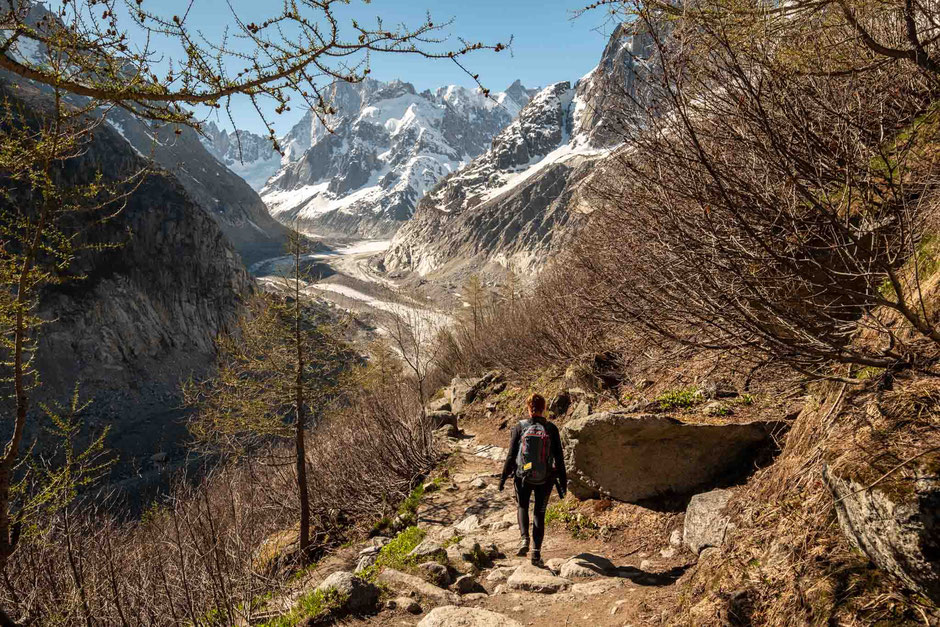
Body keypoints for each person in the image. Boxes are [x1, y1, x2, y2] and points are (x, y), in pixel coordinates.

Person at [498, 393, 567, 566]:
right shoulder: (551, 428)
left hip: (523, 477)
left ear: (529, 409)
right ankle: (536, 554)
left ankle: (524, 540)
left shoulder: (519, 427)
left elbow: (511, 455)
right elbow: (559, 458)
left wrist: (503, 478)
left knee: (522, 505)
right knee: (539, 513)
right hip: (545, 478)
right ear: (544, 408)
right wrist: (564, 484)